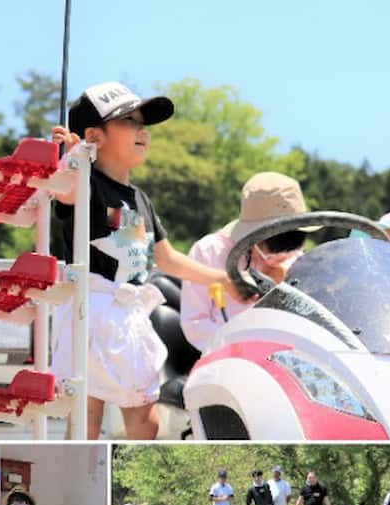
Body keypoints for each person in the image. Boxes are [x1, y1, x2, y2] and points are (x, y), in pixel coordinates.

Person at [50, 81, 248, 440]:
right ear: (95, 136)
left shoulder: (140, 198)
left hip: (128, 315)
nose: (142, 130)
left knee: (145, 418)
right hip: (89, 309)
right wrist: (73, 160)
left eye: (143, 123)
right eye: (128, 121)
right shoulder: (84, 183)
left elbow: (166, 258)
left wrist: (220, 279)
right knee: (86, 415)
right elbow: (61, 191)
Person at [179, 171, 315, 352]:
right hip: (226, 359)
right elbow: (195, 322)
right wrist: (239, 346)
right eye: (275, 248)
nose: (284, 256)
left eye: (291, 248)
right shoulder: (209, 252)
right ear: (252, 235)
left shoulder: (301, 261)